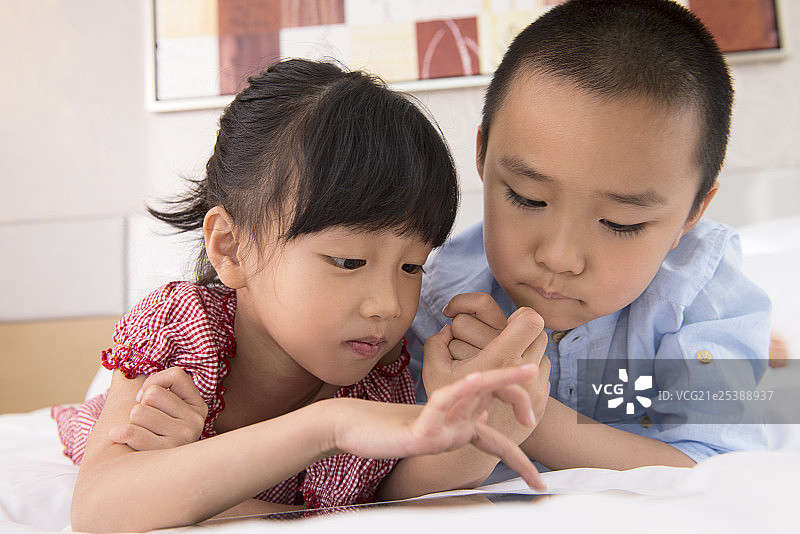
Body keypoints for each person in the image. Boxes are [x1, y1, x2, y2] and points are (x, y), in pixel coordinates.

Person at [52, 59, 548, 533]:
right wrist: (328, 426)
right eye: (348, 262)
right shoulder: (181, 335)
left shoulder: (375, 370)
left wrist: (476, 436)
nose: (389, 305)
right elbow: (98, 506)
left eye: (411, 266)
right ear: (232, 248)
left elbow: (387, 501)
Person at [406, 0, 771, 478]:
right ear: (482, 154)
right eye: (527, 198)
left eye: (621, 223)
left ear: (693, 213)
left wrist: (517, 408)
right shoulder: (431, 297)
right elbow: (383, 477)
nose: (558, 257)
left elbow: (722, 472)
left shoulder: (700, 297)